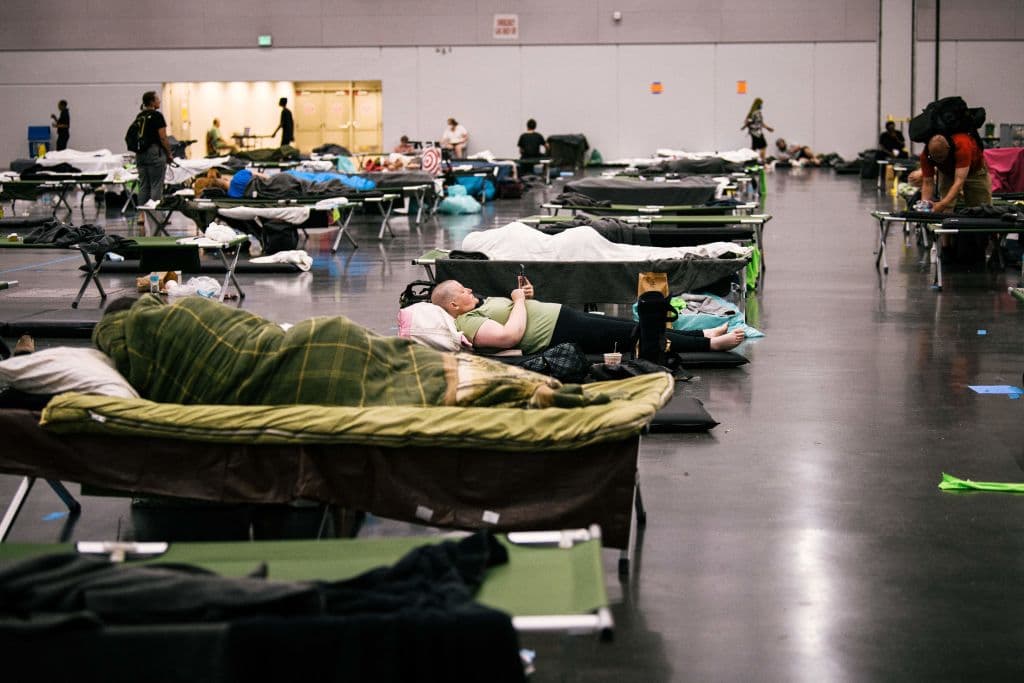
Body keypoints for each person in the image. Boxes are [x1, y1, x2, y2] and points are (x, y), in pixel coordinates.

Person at [431, 279, 745, 356]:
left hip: (563, 319)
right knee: (636, 337)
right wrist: (519, 301)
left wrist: (525, 295)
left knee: (637, 327)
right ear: (454, 305)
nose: (469, 289)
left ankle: (701, 336)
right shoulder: (466, 323)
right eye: (463, 290)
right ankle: (709, 346)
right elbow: (508, 336)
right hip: (558, 333)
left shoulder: (479, 307)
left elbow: (518, 313)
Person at [919, 133, 991, 214]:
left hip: (974, 170)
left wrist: (942, 204)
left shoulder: (962, 146)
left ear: (948, 149)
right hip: (947, 172)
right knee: (946, 208)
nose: (938, 161)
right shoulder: (926, 155)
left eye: (940, 157)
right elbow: (927, 183)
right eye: (934, 158)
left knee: (981, 207)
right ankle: (947, 218)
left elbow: (959, 182)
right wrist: (924, 206)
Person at [135, 91, 174, 226]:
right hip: (154, 153)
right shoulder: (157, 116)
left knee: (143, 185)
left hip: (140, 154)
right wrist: (169, 153)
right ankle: (157, 216)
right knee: (156, 185)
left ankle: (141, 216)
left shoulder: (140, 116)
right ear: (152, 102)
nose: (159, 101)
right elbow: (163, 137)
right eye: (157, 99)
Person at [741, 98, 773, 163]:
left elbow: (757, 122)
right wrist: (745, 126)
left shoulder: (753, 113)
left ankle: (750, 160)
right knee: (763, 146)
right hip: (757, 133)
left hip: (754, 132)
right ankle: (762, 160)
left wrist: (768, 128)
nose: (761, 106)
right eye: (761, 104)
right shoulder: (756, 113)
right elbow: (754, 122)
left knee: (754, 147)